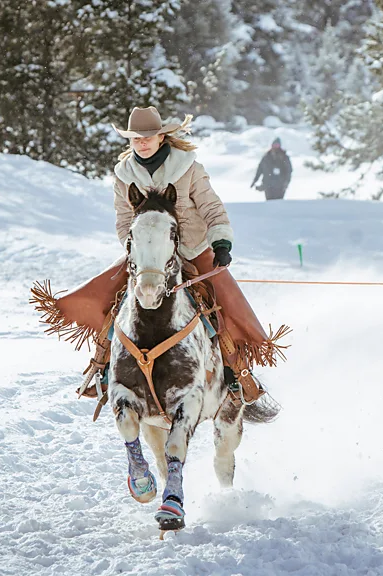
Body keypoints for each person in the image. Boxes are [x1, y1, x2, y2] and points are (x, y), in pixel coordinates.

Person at [31, 106, 286, 406]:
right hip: (147, 255)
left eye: (148, 137)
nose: (142, 143)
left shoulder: (189, 168)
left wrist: (220, 243)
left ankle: (235, 373)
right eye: (136, 138)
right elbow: (124, 221)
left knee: (226, 304)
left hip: (192, 249)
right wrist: (137, 249)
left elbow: (212, 208)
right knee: (111, 299)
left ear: (161, 137)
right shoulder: (124, 175)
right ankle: (103, 367)